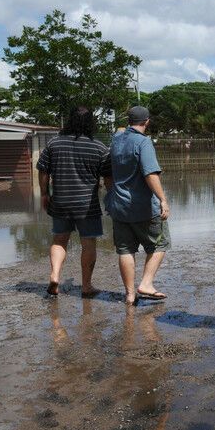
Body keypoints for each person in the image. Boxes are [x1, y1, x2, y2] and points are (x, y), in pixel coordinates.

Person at [36, 106, 112, 297]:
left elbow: (43, 170)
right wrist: (112, 197)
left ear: (69, 121)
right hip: (87, 205)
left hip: (60, 201)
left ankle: (54, 276)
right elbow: (108, 178)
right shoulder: (99, 147)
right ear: (91, 123)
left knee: (60, 240)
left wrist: (44, 194)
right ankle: (86, 286)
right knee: (88, 243)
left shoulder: (54, 144)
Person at [106, 106, 171, 305]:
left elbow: (108, 171)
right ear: (147, 122)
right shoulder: (143, 143)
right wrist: (163, 199)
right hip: (143, 207)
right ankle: (146, 283)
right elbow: (150, 173)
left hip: (119, 206)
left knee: (125, 250)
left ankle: (129, 294)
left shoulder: (116, 140)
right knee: (160, 244)